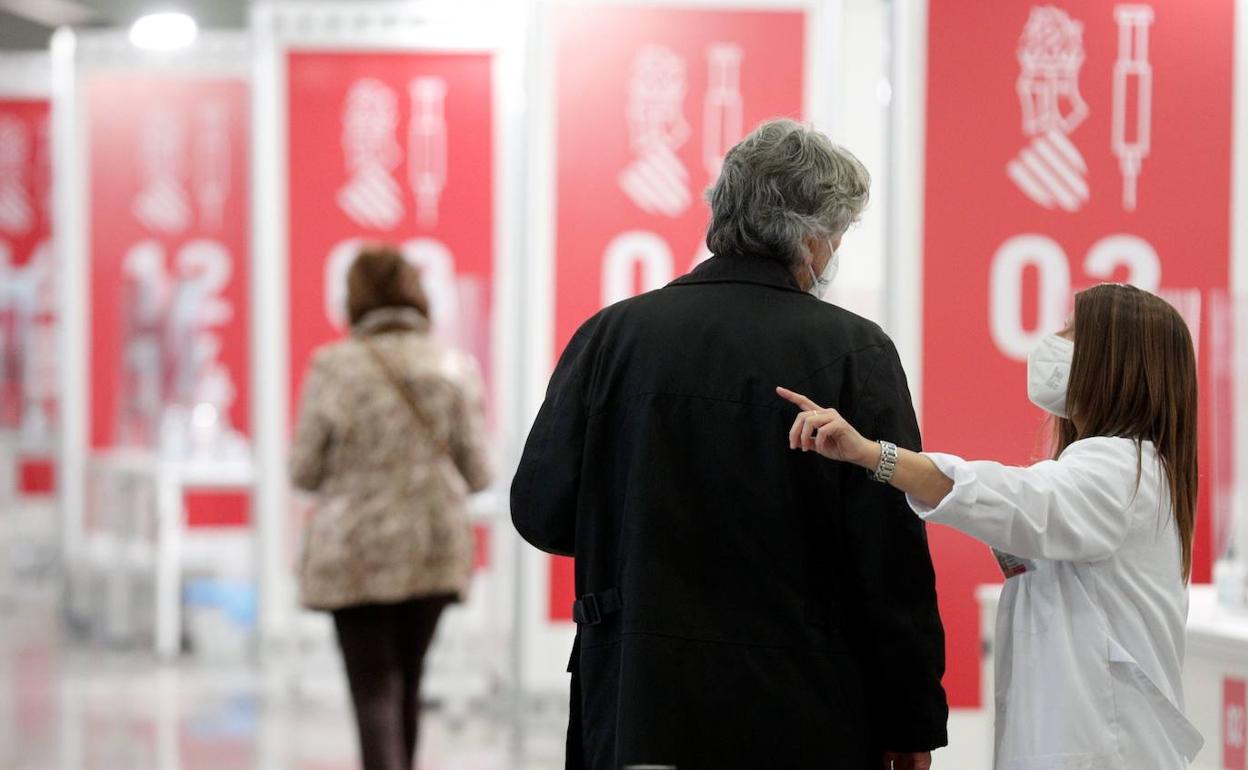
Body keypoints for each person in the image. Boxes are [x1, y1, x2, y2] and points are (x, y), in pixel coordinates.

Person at [512, 118, 948, 770]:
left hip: (638, 698)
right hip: (806, 707)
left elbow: (542, 510)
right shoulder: (853, 351)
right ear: (809, 235)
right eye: (837, 234)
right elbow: (888, 560)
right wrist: (912, 720)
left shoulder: (610, 339)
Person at [779, 283, 1204, 770]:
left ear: (1115, 361)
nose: (1052, 342)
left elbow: (1015, 500)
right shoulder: (1123, 468)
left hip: (1109, 747)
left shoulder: (1120, 468)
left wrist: (872, 454)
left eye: (1070, 332)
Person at [290, 245, 492, 770]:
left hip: (354, 550)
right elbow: (479, 473)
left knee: (373, 685)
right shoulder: (452, 366)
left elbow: (303, 471)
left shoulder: (333, 368)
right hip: (433, 547)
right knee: (410, 678)